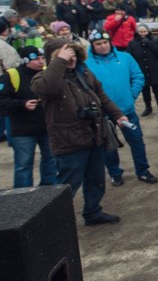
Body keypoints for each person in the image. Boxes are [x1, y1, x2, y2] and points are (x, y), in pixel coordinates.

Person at [31, 39, 128, 225]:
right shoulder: (42, 79)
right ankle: (54, 222)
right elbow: (47, 88)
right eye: (66, 55)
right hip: (69, 142)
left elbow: (101, 95)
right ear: (55, 58)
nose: (72, 58)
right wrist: (59, 62)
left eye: (74, 54)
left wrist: (118, 115)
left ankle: (92, 212)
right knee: (68, 184)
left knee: (96, 179)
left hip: (94, 135)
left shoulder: (83, 72)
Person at [85, 30, 158, 186]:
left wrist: (131, 96)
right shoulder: (86, 64)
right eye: (98, 44)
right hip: (103, 114)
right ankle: (115, 173)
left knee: (137, 141)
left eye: (105, 43)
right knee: (109, 146)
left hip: (127, 110)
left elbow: (138, 76)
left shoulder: (125, 57)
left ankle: (143, 170)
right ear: (92, 46)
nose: (103, 46)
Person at [0, 46, 57, 187]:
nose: (41, 61)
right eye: (36, 59)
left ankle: (49, 194)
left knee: (51, 161)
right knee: (23, 165)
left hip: (47, 127)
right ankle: (22, 199)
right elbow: (1, 101)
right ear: (25, 60)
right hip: (23, 130)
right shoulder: (11, 76)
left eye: (42, 58)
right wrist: (22, 104)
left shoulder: (46, 73)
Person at [127, 24, 158, 118]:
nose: (143, 34)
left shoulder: (154, 40)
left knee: (157, 91)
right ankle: (148, 107)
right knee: (145, 91)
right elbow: (129, 56)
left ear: (148, 32)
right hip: (141, 71)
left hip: (154, 70)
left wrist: (148, 43)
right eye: (140, 32)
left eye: (144, 32)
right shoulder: (132, 43)